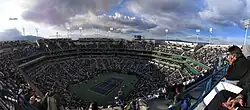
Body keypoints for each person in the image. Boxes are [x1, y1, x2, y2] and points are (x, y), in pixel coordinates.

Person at [205, 45, 250, 110]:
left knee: (221, 91)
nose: (228, 56)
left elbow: (230, 76)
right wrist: (240, 96)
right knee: (222, 93)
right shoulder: (242, 61)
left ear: (234, 55)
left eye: (229, 54)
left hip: (243, 89)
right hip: (244, 90)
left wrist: (230, 63)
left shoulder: (241, 62)